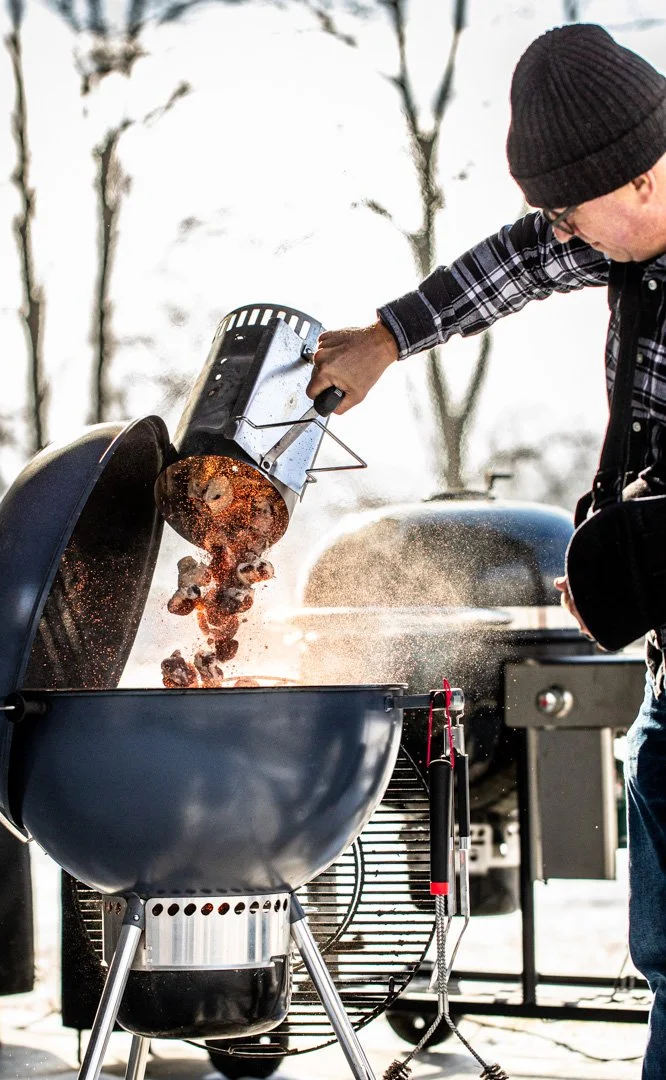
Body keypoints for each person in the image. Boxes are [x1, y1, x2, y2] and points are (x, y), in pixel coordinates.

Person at [305, 22, 666, 1079]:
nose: (559, 233)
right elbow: (515, 263)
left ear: (641, 181)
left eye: (569, 211)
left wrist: (625, 549)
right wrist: (383, 339)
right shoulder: (625, 227)